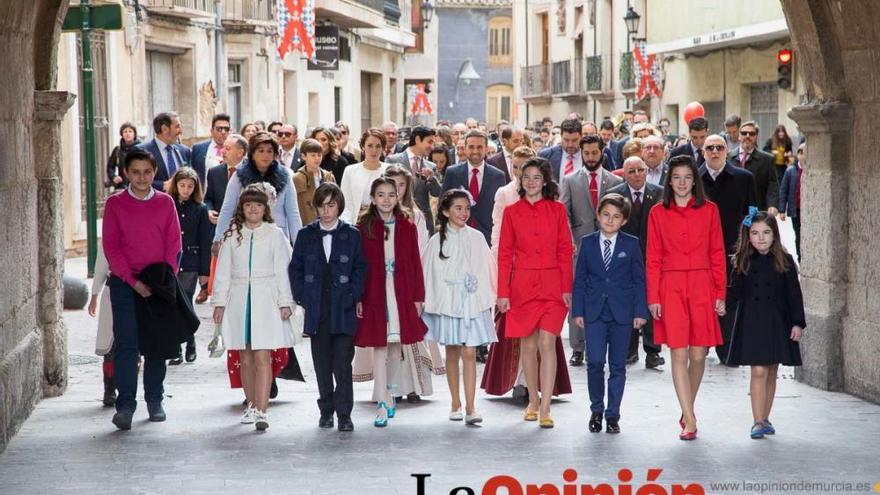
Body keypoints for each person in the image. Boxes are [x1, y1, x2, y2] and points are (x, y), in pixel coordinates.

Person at [102, 149, 184, 430]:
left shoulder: (165, 203)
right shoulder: (115, 204)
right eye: (135, 172)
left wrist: (166, 278)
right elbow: (111, 246)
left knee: (157, 345)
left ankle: (155, 400)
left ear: (154, 172)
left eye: (146, 172)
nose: (141, 177)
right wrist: (133, 281)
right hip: (126, 284)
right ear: (126, 173)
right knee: (127, 345)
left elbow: (174, 243)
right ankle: (125, 405)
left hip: (158, 281)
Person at [646, 155, 727, 441]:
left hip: (703, 285)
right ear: (669, 180)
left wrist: (721, 292)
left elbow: (717, 253)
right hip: (671, 286)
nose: (681, 183)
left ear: (695, 180)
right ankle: (690, 418)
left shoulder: (710, 210)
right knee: (678, 351)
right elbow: (653, 257)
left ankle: (686, 407)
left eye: (687, 177)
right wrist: (653, 296)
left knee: (699, 353)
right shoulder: (658, 212)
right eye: (676, 177)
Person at [212, 184, 300, 431]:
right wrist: (219, 302)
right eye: (248, 204)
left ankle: (262, 410)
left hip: (266, 300)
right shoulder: (232, 235)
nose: (253, 209)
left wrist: (285, 301)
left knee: (262, 356)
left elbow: (284, 270)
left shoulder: (274, 235)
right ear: (242, 207)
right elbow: (223, 271)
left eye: (258, 205)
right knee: (245, 356)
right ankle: (250, 405)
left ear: (265, 208)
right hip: (239, 300)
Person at [497, 157, 574, 428]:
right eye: (526, 176)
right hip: (522, 287)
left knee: (547, 343)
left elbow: (566, 250)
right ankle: (531, 399)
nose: (531, 181)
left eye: (536, 177)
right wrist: (502, 292)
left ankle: (545, 406)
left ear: (545, 181)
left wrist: (567, 287)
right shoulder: (511, 212)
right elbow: (505, 254)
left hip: (553, 286)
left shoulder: (556, 210)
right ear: (521, 181)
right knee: (528, 346)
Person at [290, 183, 367, 432]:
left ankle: (345, 414)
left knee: (343, 363)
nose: (326, 211)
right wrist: (302, 296)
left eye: (331, 205)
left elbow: (360, 267)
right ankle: (326, 411)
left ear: (339, 206)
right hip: (317, 309)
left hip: (343, 307)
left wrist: (354, 293)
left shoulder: (352, 234)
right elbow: (296, 268)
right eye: (322, 205)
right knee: (321, 363)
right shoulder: (305, 235)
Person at [572, 193, 648, 434]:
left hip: (622, 313)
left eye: (616, 217)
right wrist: (578, 310)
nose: (610, 220)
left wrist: (640, 311)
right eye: (606, 215)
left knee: (617, 366)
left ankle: (613, 414)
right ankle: (596, 409)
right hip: (594, 312)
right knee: (594, 362)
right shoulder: (588, 242)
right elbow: (580, 279)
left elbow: (639, 280)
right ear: (598, 215)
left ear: (624, 220)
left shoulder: (631, 243)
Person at [355, 177, 427, 427]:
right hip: (374, 292)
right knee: (379, 346)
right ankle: (383, 402)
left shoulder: (407, 226)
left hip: (401, 291)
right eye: (381, 195)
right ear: (373, 199)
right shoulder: (364, 226)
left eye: (391, 194)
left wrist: (419, 295)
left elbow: (416, 262)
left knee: (396, 347)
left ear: (398, 198)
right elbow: (359, 265)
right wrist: (359, 297)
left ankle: (392, 391)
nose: (386, 200)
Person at [422, 189, 498, 424]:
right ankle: (455, 402)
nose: (464, 213)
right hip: (449, 302)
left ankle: (472, 406)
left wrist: (484, 295)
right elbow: (429, 273)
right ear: (445, 211)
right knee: (453, 351)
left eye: (467, 208)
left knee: (469, 351)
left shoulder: (476, 237)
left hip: (472, 302)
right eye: (458, 208)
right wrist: (434, 300)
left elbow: (487, 267)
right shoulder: (436, 241)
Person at [727, 210, 804, 439]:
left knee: (771, 369)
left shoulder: (785, 260)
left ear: (775, 235)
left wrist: (797, 323)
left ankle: (766, 417)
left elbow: (794, 295)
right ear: (748, 236)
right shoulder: (742, 261)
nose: (761, 238)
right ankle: (757, 421)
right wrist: (720, 303)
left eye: (766, 233)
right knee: (758, 370)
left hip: (777, 322)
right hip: (752, 322)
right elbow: (735, 292)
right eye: (755, 233)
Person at [382, 164, 447, 402]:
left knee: (412, 334)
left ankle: (416, 386)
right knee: (390, 336)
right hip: (385, 281)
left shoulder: (416, 216)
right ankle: (393, 386)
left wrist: (416, 287)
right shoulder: (374, 214)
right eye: (393, 184)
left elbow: (419, 252)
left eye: (401, 185)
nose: (397, 190)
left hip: (408, 281)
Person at [560, 134, 623, 366]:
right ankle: (577, 347)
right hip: (579, 247)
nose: (590, 157)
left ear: (602, 152)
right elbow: (564, 213)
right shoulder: (569, 180)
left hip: (608, 244)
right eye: (586, 153)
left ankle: (601, 344)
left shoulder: (615, 182)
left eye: (594, 153)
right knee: (579, 295)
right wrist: (569, 240)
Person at [606, 157, 665, 369]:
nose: (637, 174)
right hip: (624, 258)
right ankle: (628, 350)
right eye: (632, 171)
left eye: (641, 170)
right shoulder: (614, 194)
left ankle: (653, 350)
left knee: (652, 301)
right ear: (624, 174)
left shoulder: (659, 193)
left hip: (653, 255)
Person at [213, 131, 302, 249]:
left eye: (270, 151)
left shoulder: (285, 176)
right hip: (246, 237)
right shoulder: (239, 176)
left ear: (275, 154)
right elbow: (227, 209)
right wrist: (218, 239)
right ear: (252, 154)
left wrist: (300, 246)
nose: (265, 155)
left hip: (277, 239)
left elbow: (293, 213)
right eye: (261, 151)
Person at [165, 167, 212, 364]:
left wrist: (204, 272)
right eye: (182, 185)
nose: (185, 190)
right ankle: (176, 345)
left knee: (185, 303)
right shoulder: (168, 205)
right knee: (172, 304)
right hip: (169, 261)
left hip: (191, 262)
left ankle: (190, 343)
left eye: (190, 186)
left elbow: (205, 240)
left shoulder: (200, 209)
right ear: (175, 185)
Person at [201, 134, 248, 304]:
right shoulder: (214, 172)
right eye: (223, 148)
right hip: (220, 229)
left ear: (240, 152)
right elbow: (208, 198)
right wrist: (209, 210)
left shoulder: (249, 172)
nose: (223, 151)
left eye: (228, 148)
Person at [441, 129, 507, 246]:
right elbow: (443, 204)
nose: (475, 151)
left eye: (479, 147)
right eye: (471, 147)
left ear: (486, 149)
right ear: (465, 148)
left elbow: (502, 211)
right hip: (456, 238)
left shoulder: (498, 176)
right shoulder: (452, 172)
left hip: (487, 240)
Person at [386, 125, 442, 235]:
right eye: (429, 142)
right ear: (417, 139)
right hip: (397, 218)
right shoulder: (392, 160)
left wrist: (431, 178)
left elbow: (437, 193)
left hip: (423, 221)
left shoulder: (431, 166)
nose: (432, 146)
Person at [727, 121, 779, 214]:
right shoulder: (728, 157)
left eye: (751, 134)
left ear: (756, 137)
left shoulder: (767, 159)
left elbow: (773, 184)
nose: (747, 136)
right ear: (739, 136)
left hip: (757, 210)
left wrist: (772, 204)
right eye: (744, 133)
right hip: (733, 209)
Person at [340, 128, 389, 224]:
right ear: (363, 146)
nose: (374, 150)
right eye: (370, 145)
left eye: (378, 146)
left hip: (384, 223)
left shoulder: (389, 171)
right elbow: (346, 203)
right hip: (357, 222)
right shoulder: (350, 171)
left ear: (383, 148)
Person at [88, 245, 116, 407]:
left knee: (133, 346)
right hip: (112, 292)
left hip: (138, 291)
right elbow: (101, 266)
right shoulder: (110, 233)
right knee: (110, 343)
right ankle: (109, 389)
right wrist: (94, 296)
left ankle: (128, 390)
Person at [138, 112, 194, 190]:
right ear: (164, 129)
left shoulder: (185, 151)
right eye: (177, 126)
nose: (181, 131)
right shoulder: (141, 151)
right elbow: (134, 180)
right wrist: (162, 185)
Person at [293, 138, 337, 225]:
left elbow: (336, 201)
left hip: (327, 223)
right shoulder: (296, 178)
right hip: (306, 225)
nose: (317, 158)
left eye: (319, 155)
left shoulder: (329, 176)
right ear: (303, 156)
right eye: (313, 155)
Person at [191, 113, 231, 187]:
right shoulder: (198, 148)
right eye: (219, 129)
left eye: (226, 129)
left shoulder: (235, 149)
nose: (223, 132)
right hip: (204, 195)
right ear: (212, 131)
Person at [779, 143, 804, 257]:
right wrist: (782, 210)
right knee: (798, 235)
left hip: (808, 210)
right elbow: (783, 191)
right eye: (802, 153)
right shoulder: (790, 171)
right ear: (798, 154)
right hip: (796, 209)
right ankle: (800, 258)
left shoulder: (812, 170)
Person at [105, 122, 140, 190]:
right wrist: (114, 177)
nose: (127, 134)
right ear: (122, 134)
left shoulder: (141, 149)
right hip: (122, 187)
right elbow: (110, 167)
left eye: (130, 131)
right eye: (125, 132)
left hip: (138, 186)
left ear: (134, 134)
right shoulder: (117, 150)